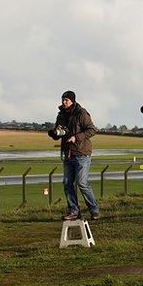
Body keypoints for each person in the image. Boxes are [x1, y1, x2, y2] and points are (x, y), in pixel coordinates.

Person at [50, 91, 100, 221]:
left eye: (66, 100)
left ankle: (94, 210)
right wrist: (55, 133)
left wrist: (76, 137)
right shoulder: (61, 114)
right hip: (68, 154)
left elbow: (92, 130)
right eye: (62, 100)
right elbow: (60, 131)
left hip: (82, 153)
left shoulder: (81, 113)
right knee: (67, 183)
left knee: (82, 183)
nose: (63, 102)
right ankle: (74, 211)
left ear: (72, 100)